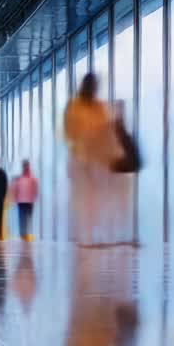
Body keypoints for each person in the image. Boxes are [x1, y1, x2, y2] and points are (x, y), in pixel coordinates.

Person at [63, 74, 119, 245]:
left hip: (97, 159)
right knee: (83, 196)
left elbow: (108, 131)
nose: (94, 88)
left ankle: (93, 233)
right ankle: (85, 234)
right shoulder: (74, 105)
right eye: (93, 85)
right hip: (80, 158)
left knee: (97, 197)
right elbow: (69, 132)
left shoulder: (99, 106)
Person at [11, 159, 39, 240]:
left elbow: (35, 189)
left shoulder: (32, 178)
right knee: (22, 217)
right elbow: (15, 189)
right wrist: (15, 197)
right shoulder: (20, 178)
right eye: (24, 165)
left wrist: (34, 197)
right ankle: (23, 234)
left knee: (28, 217)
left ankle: (26, 233)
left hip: (29, 201)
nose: (25, 167)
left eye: (26, 165)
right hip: (21, 201)